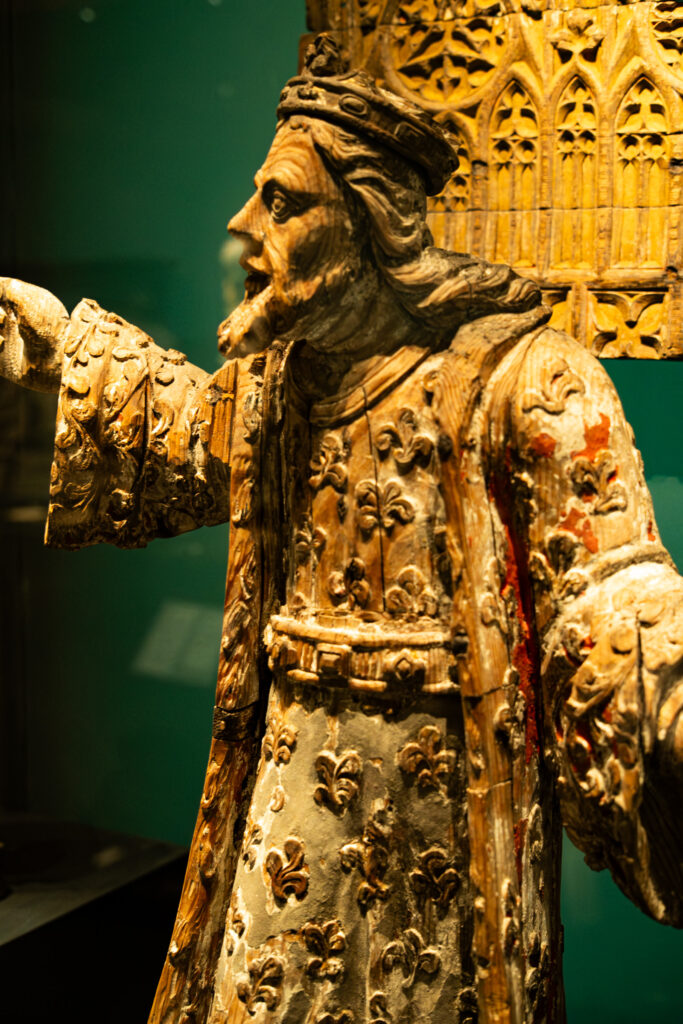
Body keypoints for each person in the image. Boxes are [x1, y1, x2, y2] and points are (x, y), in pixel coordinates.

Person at [1, 34, 681, 1024]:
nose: (241, 225)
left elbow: (607, 591)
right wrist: (66, 348)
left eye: (280, 202)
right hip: (287, 824)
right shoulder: (280, 385)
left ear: (369, 222)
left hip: (446, 830)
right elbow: (190, 433)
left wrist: (660, 679)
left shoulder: (527, 381)